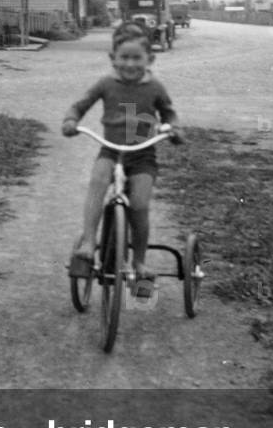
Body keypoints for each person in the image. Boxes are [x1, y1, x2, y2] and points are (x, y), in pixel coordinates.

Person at [62, 24, 184, 292]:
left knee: (139, 205)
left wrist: (174, 129)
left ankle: (139, 263)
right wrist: (72, 120)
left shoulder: (154, 87)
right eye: (124, 57)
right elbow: (80, 104)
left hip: (143, 156)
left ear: (149, 59)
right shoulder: (106, 84)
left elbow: (169, 113)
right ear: (112, 59)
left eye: (136, 58)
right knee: (97, 181)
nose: (129, 64)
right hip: (111, 150)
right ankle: (88, 243)